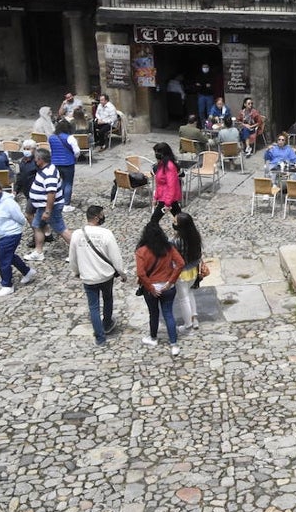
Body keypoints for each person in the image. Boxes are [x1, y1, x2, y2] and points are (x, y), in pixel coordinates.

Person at [68, 205, 125, 346]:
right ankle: (107, 323)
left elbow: (72, 257)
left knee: (93, 307)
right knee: (107, 299)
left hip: (88, 277)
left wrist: (75, 271)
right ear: (96, 217)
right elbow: (116, 257)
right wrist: (122, 273)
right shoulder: (106, 234)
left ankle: (100, 337)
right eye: (102, 215)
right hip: (105, 275)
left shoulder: (76, 234)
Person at [135, 222, 185, 356]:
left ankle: (153, 338)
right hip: (168, 287)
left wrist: (150, 288)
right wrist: (171, 281)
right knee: (168, 313)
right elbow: (180, 263)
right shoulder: (168, 248)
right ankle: (174, 344)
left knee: (153, 313)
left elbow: (141, 273)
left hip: (151, 288)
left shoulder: (141, 251)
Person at [0, 180, 34, 297]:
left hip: (10, 234)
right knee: (9, 256)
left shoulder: (9, 203)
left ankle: (7, 285)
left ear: (1, 191)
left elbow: (20, 218)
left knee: (3, 260)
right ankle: (27, 271)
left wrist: (14, 227)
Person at [28, 147, 73, 262]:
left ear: (40, 159)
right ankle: (38, 252)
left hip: (50, 208)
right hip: (42, 207)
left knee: (61, 229)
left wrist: (48, 211)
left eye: (35, 159)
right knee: (37, 226)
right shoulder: (46, 169)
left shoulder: (49, 174)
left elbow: (51, 193)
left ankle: (78, 251)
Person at [171, 212, 204, 332]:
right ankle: (194, 319)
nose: (173, 223)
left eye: (175, 222)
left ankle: (188, 325)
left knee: (183, 299)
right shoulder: (195, 236)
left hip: (181, 273)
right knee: (190, 294)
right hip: (193, 270)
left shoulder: (175, 241)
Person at [48, 119, 80, 210]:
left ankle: (59, 200)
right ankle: (66, 204)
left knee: (59, 182)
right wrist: (75, 157)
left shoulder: (51, 137)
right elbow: (77, 151)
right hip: (68, 163)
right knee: (68, 183)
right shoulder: (70, 138)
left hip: (55, 163)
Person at [150, 142, 183, 222]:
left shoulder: (169, 166)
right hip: (165, 197)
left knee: (154, 221)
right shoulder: (161, 165)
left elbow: (172, 186)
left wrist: (167, 203)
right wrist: (155, 197)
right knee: (180, 219)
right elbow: (159, 184)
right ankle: (186, 232)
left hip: (166, 198)